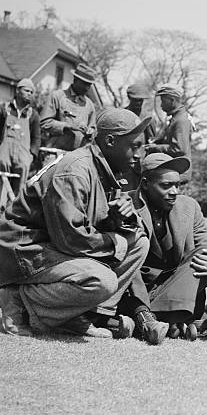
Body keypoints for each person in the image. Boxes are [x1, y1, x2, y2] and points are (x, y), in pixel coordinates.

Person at [0, 108, 150, 339]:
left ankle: (82, 315)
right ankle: (15, 298)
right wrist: (117, 241)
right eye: (135, 145)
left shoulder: (104, 168)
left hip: (51, 247)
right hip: (23, 250)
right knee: (101, 280)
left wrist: (123, 219)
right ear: (110, 141)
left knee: (139, 243)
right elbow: (71, 239)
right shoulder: (75, 171)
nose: (140, 154)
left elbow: (93, 223)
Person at [125, 152, 207, 339]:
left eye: (177, 185)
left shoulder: (189, 207)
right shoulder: (126, 205)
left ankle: (147, 320)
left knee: (204, 256)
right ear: (145, 184)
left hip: (178, 285)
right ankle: (164, 317)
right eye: (166, 186)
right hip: (137, 291)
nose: (174, 191)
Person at [40, 63, 97, 151]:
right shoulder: (57, 96)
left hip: (78, 157)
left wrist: (90, 132)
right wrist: (67, 126)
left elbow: (93, 128)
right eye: (84, 83)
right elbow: (44, 123)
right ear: (75, 79)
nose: (87, 88)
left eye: (89, 85)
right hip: (56, 154)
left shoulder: (89, 105)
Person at [0, 78, 41, 197]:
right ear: (18, 91)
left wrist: (32, 156)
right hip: (4, 154)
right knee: (2, 184)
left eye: (32, 92)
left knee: (20, 191)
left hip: (23, 156)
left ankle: (15, 212)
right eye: (27, 90)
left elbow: (36, 139)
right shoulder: (4, 109)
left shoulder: (33, 115)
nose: (30, 94)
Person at [145, 83, 192, 183]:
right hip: (174, 170)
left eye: (163, 101)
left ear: (172, 100)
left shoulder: (181, 120)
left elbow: (179, 149)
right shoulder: (176, 118)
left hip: (179, 172)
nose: (161, 105)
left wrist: (154, 148)